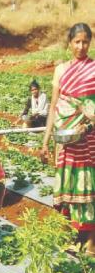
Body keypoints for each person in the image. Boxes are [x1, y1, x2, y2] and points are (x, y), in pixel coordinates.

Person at [41, 23, 95, 256]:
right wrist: (45, 141)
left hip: (88, 138)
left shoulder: (94, 69)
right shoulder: (61, 69)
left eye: (85, 42)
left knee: (88, 187)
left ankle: (91, 243)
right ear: (69, 43)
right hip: (65, 138)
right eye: (77, 41)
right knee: (68, 187)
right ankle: (73, 238)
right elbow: (53, 107)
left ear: (90, 43)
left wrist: (89, 123)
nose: (81, 46)